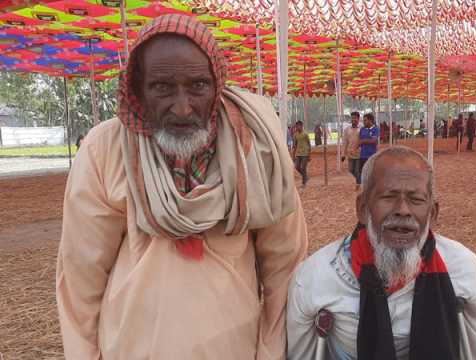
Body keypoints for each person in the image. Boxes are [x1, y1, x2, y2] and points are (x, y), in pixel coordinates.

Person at [56, 15, 308, 359]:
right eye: (162, 87)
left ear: (216, 84)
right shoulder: (107, 149)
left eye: (198, 86)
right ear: (138, 91)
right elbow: (80, 281)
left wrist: (270, 353)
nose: (182, 106)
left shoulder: (255, 147)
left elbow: (284, 269)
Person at [287, 146, 476, 360]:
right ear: (363, 209)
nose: (403, 209)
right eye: (388, 196)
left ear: (433, 214)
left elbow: (474, 348)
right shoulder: (316, 276)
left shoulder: (461, 267)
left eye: (416, 199)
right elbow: (301, 354)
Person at [342, 112, 361, 187]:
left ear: (358, 119)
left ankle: (358, 183)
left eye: (355, 118)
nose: (354, 119)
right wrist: (343, 154)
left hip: (360, 153)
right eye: (352, 118)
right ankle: (360, 180)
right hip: (350, 153)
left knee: (357, 170)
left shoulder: (362, 129)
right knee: (351, 170)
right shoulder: (347, 129)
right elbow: (345, 142)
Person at [358, 113, 379, 183]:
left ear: (370, 120)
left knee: (371, 172)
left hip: (371, 155)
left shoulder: (375, 129)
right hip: (362, 155)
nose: (363, 122)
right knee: (362, 172)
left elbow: (374, 141)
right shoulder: (362, 129)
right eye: (363, 120)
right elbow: (359, 141)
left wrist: (364, 141)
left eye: (365, 120)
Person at [293, 120, 312, 186]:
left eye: (298, 126)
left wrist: (309, 155)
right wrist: (293, 155)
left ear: (301, 126)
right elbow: (295, 145)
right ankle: (306, 176)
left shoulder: (305, 134)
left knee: (303, 167)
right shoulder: (295, 135)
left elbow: (309, 145)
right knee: (297, 167)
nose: (297, 127)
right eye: (296, 126)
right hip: (298, 153)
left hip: (305, 153)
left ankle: (304, 183)